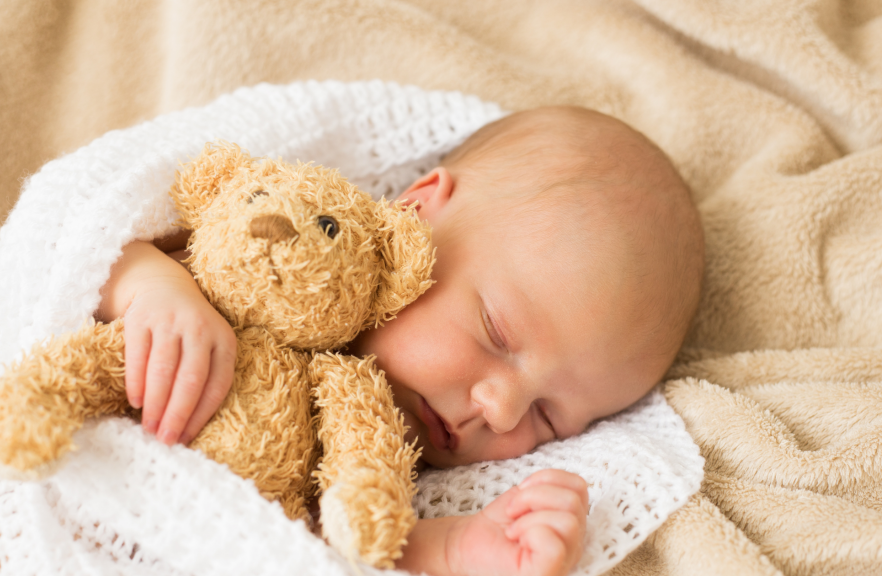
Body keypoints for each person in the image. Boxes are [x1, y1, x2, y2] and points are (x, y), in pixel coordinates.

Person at [95, 106, 704, 576]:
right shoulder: (272, 244)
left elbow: (328, 542)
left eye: (547, 418)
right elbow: (89, 245)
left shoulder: (381, 451)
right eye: (497, 333)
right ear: (416, 211)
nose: (500, 410)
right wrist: (154, 288)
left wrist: (461, 546)